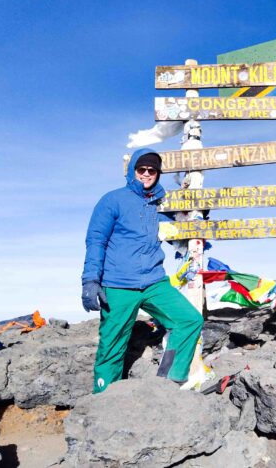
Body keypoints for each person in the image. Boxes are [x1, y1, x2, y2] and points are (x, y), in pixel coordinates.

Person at [81, 148, 203, 393]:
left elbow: (177, 230)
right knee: (112, 345)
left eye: (152, 170)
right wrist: (91, 279)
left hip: (154, 282)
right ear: (133, 171)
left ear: (158, 174)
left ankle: (168, 384)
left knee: (189, 320)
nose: (147, 174)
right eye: (142, 169)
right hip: (118, 284)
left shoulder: (161, 202)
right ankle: (103, 400)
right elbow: (96, 240)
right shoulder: (112, 200)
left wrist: (197, 222)